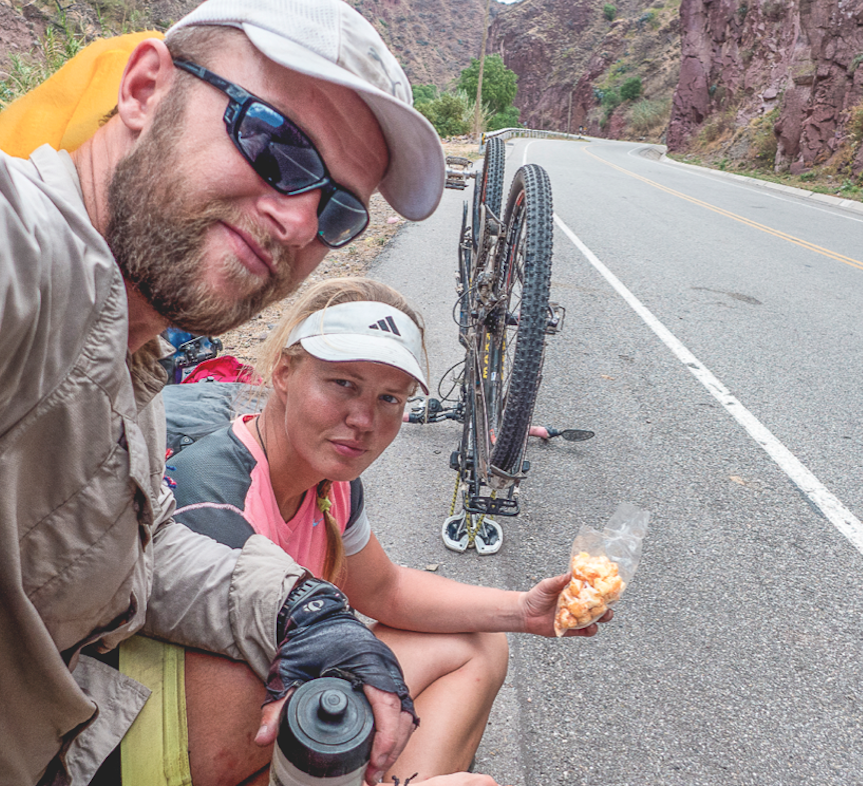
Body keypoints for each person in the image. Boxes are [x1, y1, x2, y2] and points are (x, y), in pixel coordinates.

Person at [0, 0, 446, 786]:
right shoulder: (21, 262)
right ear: (145, 89)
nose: (297, 217)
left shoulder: (130, 348)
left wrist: (300, 605)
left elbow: (138, 539)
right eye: (275, 145)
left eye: (337, 215)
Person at [161, 278, 611, 785]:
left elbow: (384, 589)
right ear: (285, 372)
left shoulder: (332, 482)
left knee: (481, 643)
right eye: (343, 384)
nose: (364, 420)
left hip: (298, 714)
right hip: (213, 753)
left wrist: (524, 611)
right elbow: (212, 760)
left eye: (390, 399)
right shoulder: (214, 501)